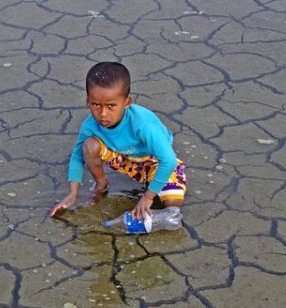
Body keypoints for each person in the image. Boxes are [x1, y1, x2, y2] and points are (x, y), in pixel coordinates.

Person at [49, 62, 187, 219]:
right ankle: (102, 185)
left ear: (127, 102)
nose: (103, 114)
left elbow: (168, 161)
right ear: (87, 101)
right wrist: (72, 194)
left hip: (154, 161)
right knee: (90, 145)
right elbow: (77, 157)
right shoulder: (90, 125)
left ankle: (160, 209)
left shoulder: (142, 124)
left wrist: (147, 198)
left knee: (172, 203)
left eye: (111, 106)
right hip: (124, 158)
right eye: (96, 105)